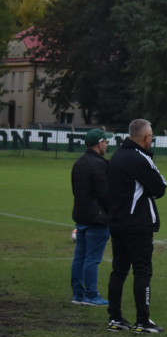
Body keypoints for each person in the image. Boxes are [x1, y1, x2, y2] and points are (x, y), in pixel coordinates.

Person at [106, 119, 167, 333]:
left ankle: (114, 318)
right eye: (151, 136)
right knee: (142, 272)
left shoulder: (115, 157)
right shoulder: (140, 158)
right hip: (138, 224)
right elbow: (160, 187)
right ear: (146, 137)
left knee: (118, 271)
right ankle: (143, 321)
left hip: (117, 222)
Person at [70, 128, 114, 306]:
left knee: (80, 256)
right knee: (92, 258)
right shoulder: (99, 164)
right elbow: (104, 193)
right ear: (99, 144)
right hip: (97, 218)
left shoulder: (79, 162)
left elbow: (76, 190)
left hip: (81, 215)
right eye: (106, 142)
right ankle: (91, 294)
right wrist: (112, 212)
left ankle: (78, 294)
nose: (107, 145)